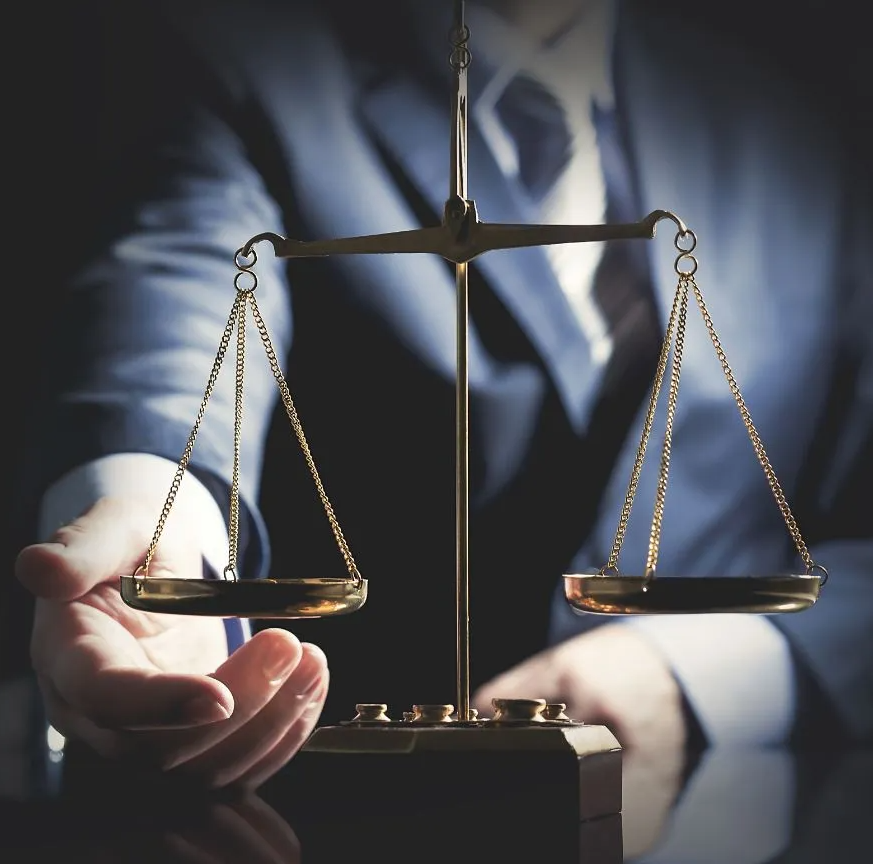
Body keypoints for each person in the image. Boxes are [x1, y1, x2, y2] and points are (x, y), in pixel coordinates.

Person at [11, 0, 871, 792]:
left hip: (725, 810)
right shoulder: (245, 58)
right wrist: (156, 521)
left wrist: (705, 671)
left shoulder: (797, 112)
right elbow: (170, 300)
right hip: (339, 809)